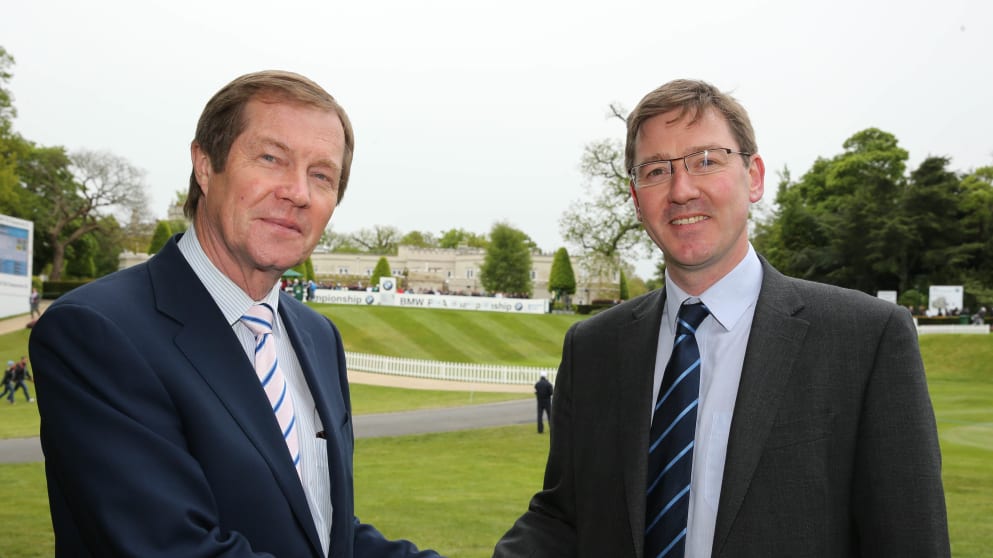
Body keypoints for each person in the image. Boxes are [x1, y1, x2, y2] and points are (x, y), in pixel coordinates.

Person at [494, 79, 949, 557]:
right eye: (655, 170)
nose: (681, 190)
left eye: (705, 161)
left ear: (753, 177)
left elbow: (910, 540)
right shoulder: (592, 348)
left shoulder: (865, 339)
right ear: (635, 197)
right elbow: (563, 516)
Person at [30, 70, 442, 558]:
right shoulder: (97, 331)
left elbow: (323, 530)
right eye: (271, 158)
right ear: (205, 165)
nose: (297, 192)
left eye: (322, 175)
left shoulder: (316, 335)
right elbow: (172, 548)